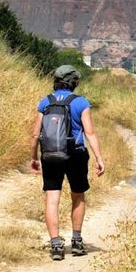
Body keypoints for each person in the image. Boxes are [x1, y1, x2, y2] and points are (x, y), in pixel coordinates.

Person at [29, 65, 105, 261]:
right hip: (76, 154)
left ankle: (55, 245)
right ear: (74, 81)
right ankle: (77, 242)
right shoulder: (81, 102)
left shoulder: (45, 102)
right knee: (78, 195)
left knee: (52, 198)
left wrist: (34, 157)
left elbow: (35, 133)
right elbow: (90, 133)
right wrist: (98, 158)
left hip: (50, 154)